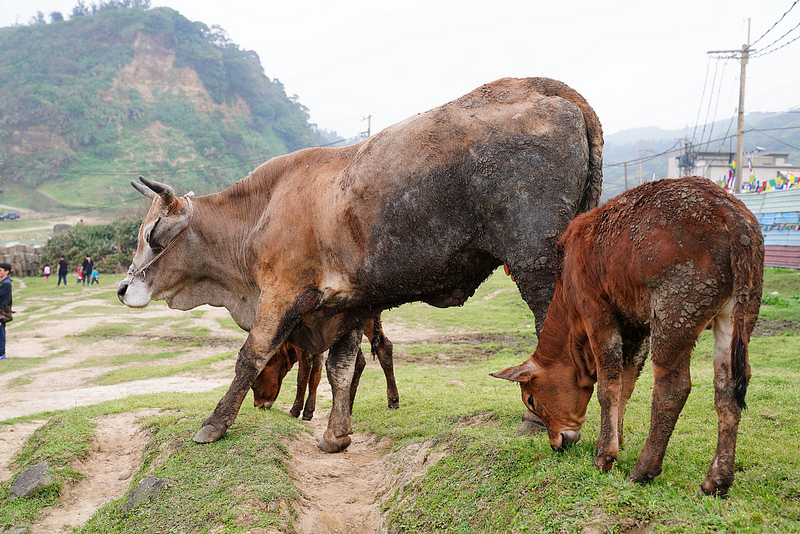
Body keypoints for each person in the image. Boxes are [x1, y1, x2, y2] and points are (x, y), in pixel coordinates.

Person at [0, 263, 12, 360]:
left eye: (0, 270)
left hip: (1, 311)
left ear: (7, 272)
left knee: (1, 333)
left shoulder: (6, 284)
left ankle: (2, 354)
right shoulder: (5, 282)